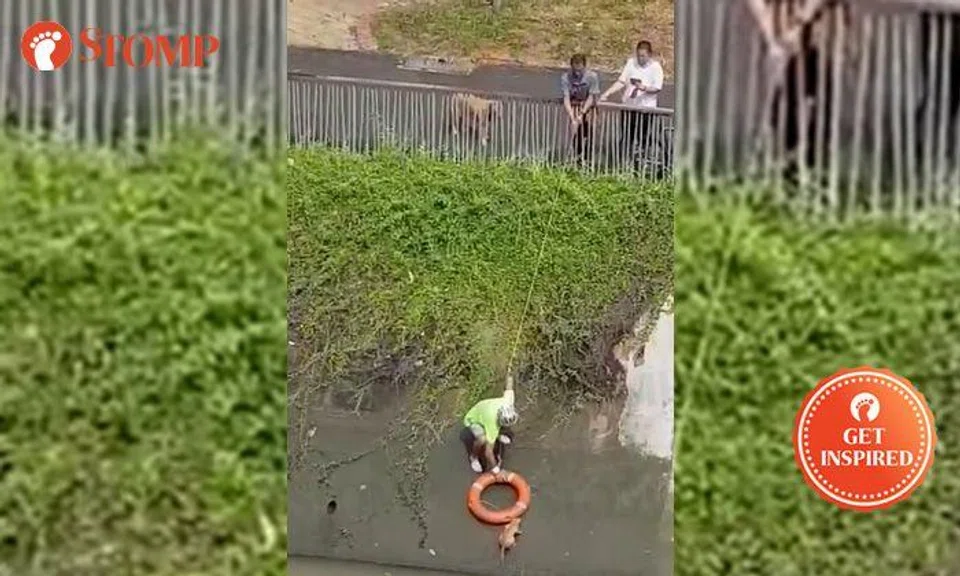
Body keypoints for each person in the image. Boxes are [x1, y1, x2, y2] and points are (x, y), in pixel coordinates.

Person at [599, 41, 665, 168]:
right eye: (639, 55)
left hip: (646, 109)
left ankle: (641, 164)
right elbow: (622, 81)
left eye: (643, 56)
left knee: (643, 137)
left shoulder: (656, 67)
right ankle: (623, 165)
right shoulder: (631, 63)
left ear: (649, 55)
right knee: (627, 137)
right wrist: (607, 93)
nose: (640, 59)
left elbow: (657, 88)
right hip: (629, 106)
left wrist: (643, 87)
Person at [461, 372, 517, 474]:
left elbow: (509, 386)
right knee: (482, 439)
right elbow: (488, 452)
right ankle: (473, 457)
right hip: (474, 419)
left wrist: (509, 374)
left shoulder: (508, 401)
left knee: (496, 433)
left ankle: (497, 436)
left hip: (486, 409)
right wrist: (496, 470)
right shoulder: (492, 422)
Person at [560, 53, 601, 165]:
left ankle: (588, 160)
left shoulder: (592, 76)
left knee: (589, 133)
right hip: (575, 104)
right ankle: (577, 158)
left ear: (584, 66)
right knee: (575, 132)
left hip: (589, 106)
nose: (577, 73)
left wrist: (582, 113)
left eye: (580, 70)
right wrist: (572, 117)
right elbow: (566, 98)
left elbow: (592, 97)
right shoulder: (565, 77)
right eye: (575, 70)